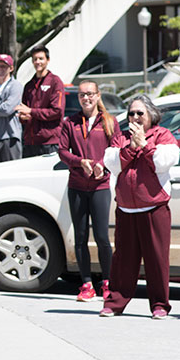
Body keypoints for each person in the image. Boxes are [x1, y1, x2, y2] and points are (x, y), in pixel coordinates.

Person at [100, 94, 180, 319]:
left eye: (139, 113)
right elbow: (111, 163)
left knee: (156, 260)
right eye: (131, 114)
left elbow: (164, 162)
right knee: (123, 261)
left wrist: (144, 145)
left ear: (151, 115)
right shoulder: (120, 137)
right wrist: (130, 148)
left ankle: (159, 305)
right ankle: (114, 303)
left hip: (154, 207)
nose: (135, 117)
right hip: (126, 208)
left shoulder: (162, 135)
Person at [57, 80, 119, 302]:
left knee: (102, 236)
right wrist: (78, 161)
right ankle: (86, 284)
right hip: (77, 186)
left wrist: (102, 162)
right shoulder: (70, 122)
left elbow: (117, 147)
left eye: (90, 94)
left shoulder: (109, 122)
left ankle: (108, 282)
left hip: (100, 186)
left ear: (98, 95)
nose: (86, 98)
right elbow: (62, 151)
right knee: (80, 237)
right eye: (82, 95)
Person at [17, 45, 65, 157]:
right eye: (35, 59)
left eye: (41, 58)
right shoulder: (29, 86)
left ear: (48, 60)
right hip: (30, 143)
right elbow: (25, 112)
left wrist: (31, 111)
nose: (38, 62)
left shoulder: (55, 82)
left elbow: (57, 111)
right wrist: (23, 117)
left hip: (50, 142)